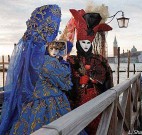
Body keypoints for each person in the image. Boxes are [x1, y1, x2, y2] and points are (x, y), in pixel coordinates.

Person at [0, 5, 73, 134]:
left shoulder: (26, 57)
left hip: (28, 108)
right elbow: (66, 83)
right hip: (50, 109)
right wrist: (62, 61)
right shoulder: (47, 61)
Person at [66, 9, 113, 135]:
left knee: (97, 127)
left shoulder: (99, 60)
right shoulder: (71, 60)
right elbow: (65, 81)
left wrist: (92, 78)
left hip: (95, 99)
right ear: (78, 43)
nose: (86, 45)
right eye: (83, 42)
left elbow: (107, 80)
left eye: (88, 42)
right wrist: (78, 80)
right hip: (76, 101)